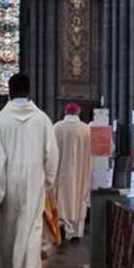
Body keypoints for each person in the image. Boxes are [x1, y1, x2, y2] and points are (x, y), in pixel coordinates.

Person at [0, 73, 59, 268]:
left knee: (8, 231)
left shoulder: (0, 119)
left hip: (8, 182)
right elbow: (52, 155)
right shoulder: (42, 119)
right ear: (29, 91)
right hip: (34, 183)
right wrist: (47, 182)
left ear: (10, 91)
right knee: (32, 231)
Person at [53, 102, 91, 241]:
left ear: (65, 112)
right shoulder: (86, 129)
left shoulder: (56, 128)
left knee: (61, 199)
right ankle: (76, 233)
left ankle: (61, 230)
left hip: (60, 173)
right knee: (78, 198)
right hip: (80, 174)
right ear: (78, 112)